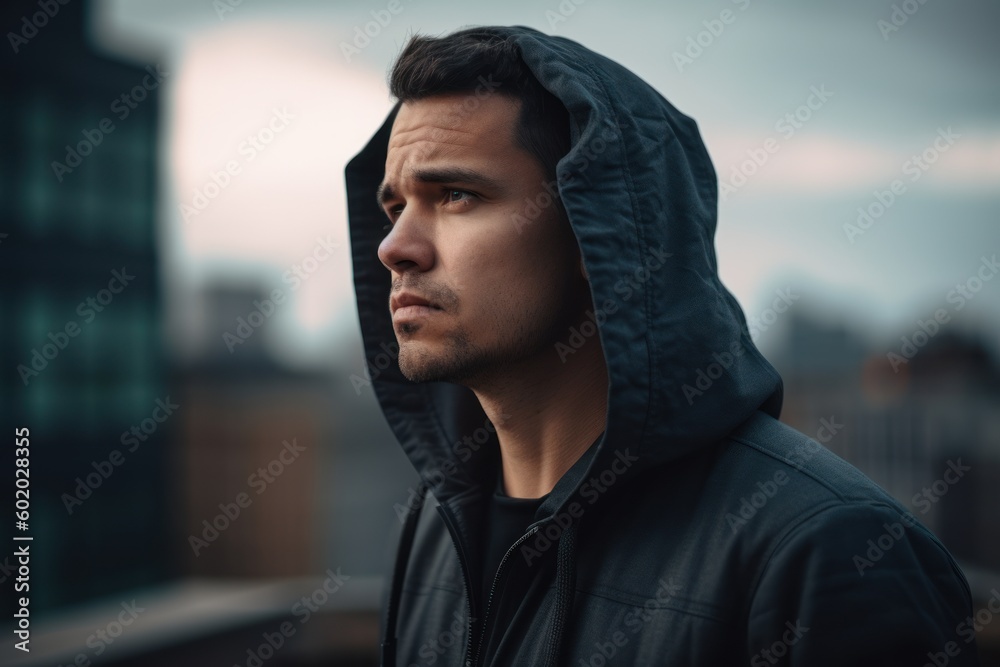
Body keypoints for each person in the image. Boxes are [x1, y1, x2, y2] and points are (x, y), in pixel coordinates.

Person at [345, 25, 979, 667]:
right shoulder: (438, 523)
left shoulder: (828, 551)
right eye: (395, 205)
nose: (394, 246)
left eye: (456, 195)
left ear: (600, 232)